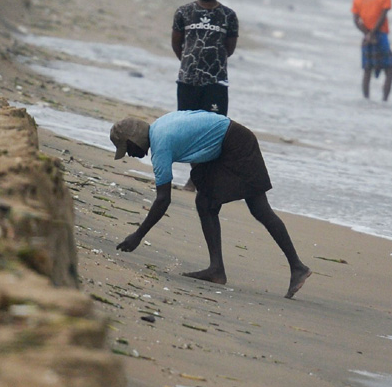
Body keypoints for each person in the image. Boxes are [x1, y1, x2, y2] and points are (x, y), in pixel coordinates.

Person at [110, 111, 312, 298]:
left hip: (236, 144)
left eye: (127, 148)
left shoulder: (160, 145)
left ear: (134, 139)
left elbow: (163, 199)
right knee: (206, 203)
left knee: (259, 208)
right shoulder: (160, 125)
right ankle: (216, 269)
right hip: (227, 142)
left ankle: (297, 267)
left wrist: (138, 236)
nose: (129, 154)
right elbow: (197, 138)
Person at [172, 0, 239, 115]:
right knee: (186, 125)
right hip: (188, 81)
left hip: (216, 82)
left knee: (214, 127)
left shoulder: (228, 16)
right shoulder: (184, 12)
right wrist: (190, 61)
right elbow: (176, 44)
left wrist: (212, 61)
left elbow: (229, 48)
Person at [351, 0, 392, 101]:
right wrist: (374, 33)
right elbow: (383, 15)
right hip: (380, 36)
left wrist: (367, 33)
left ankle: (366, 100)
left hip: (367, 37)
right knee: (389, 71)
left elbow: (356, 20)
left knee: (367, 71)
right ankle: (385, 100)